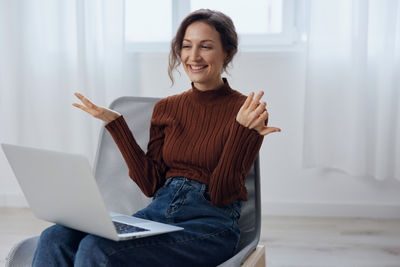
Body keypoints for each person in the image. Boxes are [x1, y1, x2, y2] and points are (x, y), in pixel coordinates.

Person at [32, 9, 281, 267]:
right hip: (157, 215)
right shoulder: (167, 108)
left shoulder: (247, 111)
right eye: (186, 46)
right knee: (55, 237)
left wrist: (241, 131)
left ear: (227, 52)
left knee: (99, 249)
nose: (193, 56)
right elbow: (150, 184)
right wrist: (116, 125)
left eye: (205, 47)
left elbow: (222, 194)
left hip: (211, 226)